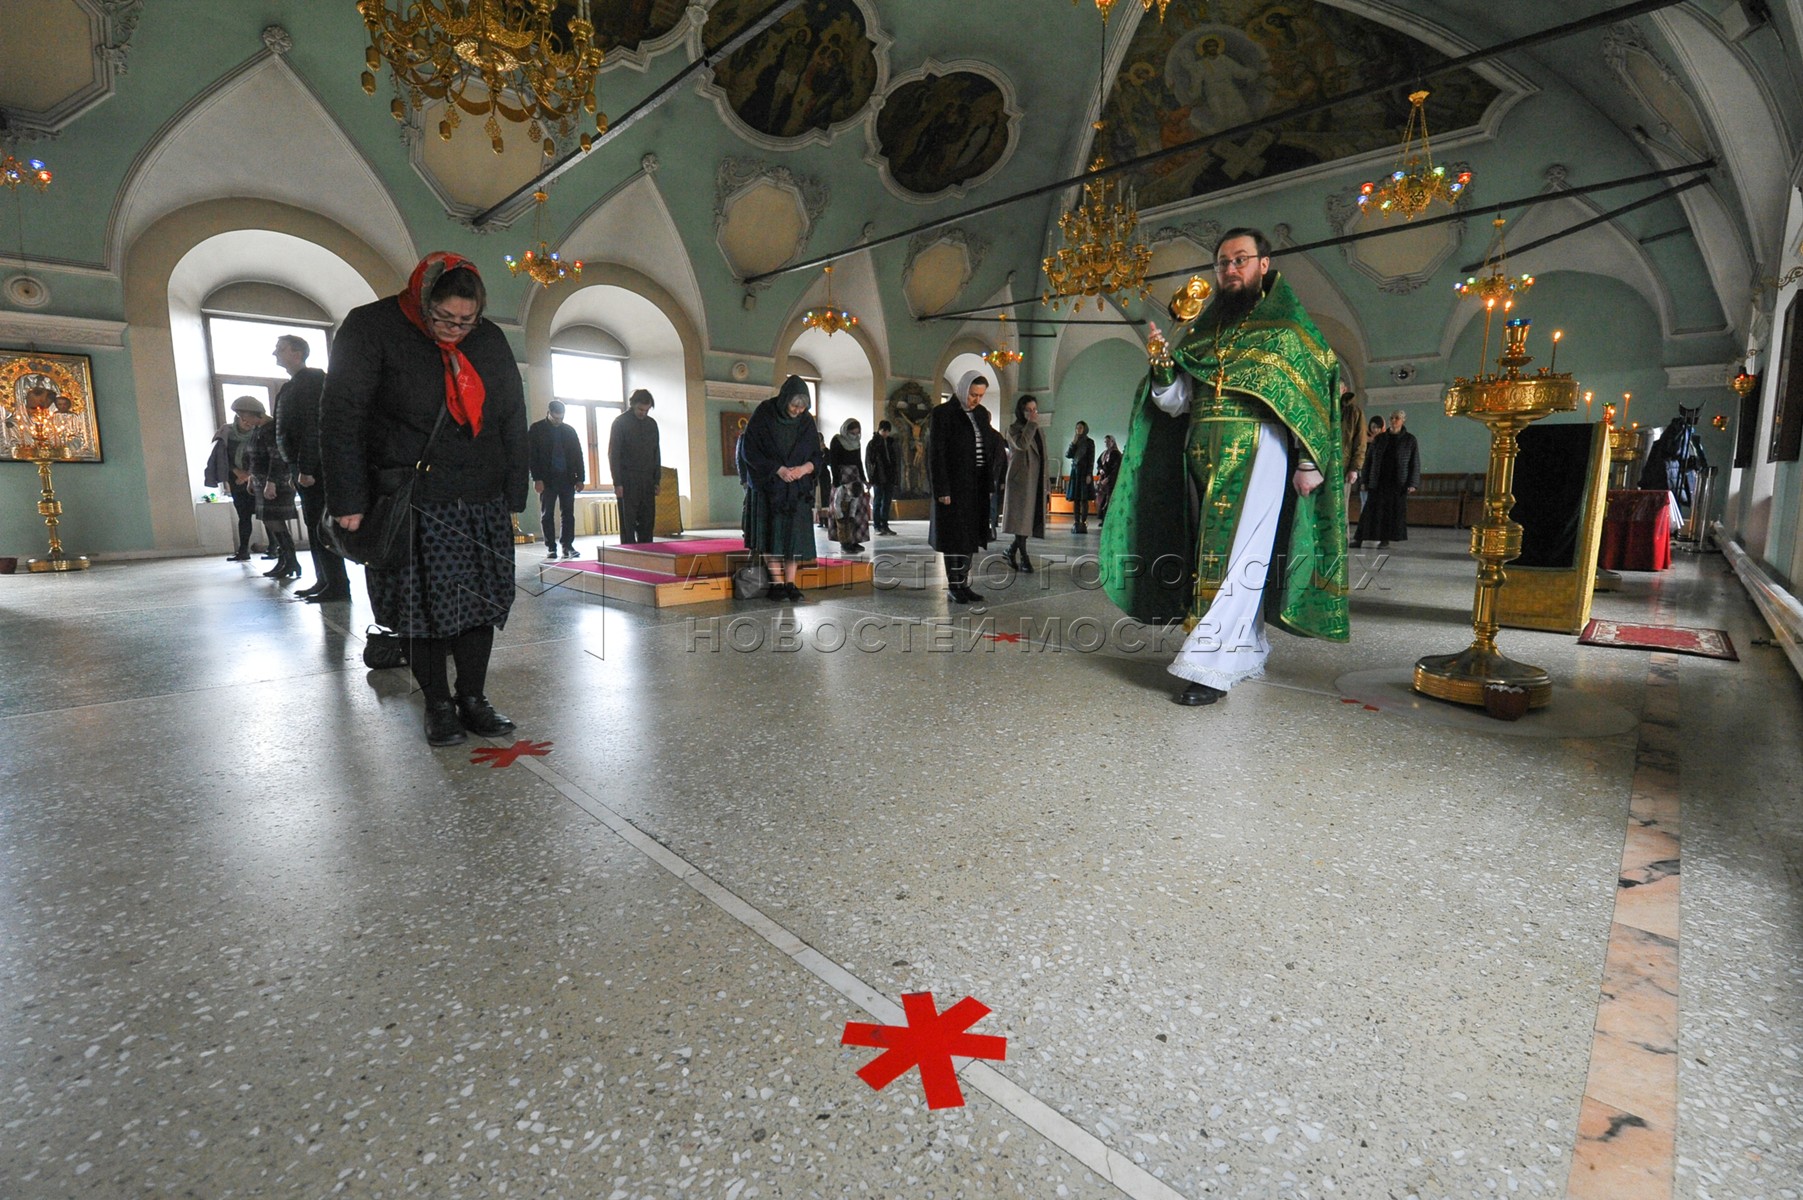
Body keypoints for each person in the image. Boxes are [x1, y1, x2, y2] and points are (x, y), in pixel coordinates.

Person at [1100, 227, 1349, 707]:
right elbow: (1175, 404)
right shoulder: (1202, 330)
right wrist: (1161, 366)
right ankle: (1246, 648)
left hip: (1259, 453)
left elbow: (1310, 396)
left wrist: (1308, 460)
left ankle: (1208, 669)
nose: (1230, 270)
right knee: (1211, 559)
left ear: (1263, 265)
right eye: (1222, 263)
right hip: (1201, 456)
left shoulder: (1287, 332)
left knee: (1239, 559)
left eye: (1240, 260)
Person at [321, 252, 528, 748]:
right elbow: (342, 416)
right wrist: (348, 498)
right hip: (409, 496)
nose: (455, 328)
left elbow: (512, 414)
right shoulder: (371, 328)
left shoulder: (490, 338)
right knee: (421, 608)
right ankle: (437, 704)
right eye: (443, 318)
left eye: (466, 320)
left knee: (480, 603)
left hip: (479, 496)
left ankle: (473, 698)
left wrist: (515, 489)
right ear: (422, 297)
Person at [274, 335, 351, 603]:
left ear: (298, 352)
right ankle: (324, 580)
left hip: (315, 468)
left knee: (323, 527)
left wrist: (306, 467)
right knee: (313, 524)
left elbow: (313, 428)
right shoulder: (293, 386)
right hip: (301, 467)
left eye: (281, 348)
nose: (275, 353)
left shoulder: (312, 381)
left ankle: (338, 585)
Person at [740, 375, 825, 601]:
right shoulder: (765, 413)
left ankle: (790, 583)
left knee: (793, 538)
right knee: (771, 536)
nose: (798, 410)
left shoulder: (806, 421)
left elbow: (817, 455)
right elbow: (749, 450)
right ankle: (777, 584)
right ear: (784, 399)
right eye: (794, 405)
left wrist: (804, 469)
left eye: (803, 407)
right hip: (770, 488)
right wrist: (778, 469)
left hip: (796, 490)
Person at [928, 370, 1004, 604]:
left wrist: (990, 481)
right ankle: (954, 585)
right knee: (954, 537)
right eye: (973, 394)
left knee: (970, 536)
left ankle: (964, 583)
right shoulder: (943, 414)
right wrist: (942, 490)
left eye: (980, 395)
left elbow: (989, 446)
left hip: (976, 485)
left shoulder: (981, 414)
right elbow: (937, 453)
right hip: (953, 486)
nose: (976, 399)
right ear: (962, 390)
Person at [204, 395, 266, 562]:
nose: (247, 423)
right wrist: (237, 473)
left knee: (266, 515)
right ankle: (243, 551)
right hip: (237, 481)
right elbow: (223, 457)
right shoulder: (227, 433)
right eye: (243, 419)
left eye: (249, 419)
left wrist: (250, 476)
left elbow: (263, 457)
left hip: (258, 479)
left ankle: (275, 548)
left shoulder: (260, 433)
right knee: (243, 516)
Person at [246, 397, 301, 581]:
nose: (243, 420)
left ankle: (290, 560)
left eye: (244, 415)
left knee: (275, 520)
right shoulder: (258, 429)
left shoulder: (271, 429)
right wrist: (251, 478)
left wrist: (272, 482)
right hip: (263, 481)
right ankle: (285, 559)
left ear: (256, 413)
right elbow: (255, 457)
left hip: (277, 482)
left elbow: (277, 457)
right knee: (270, 521)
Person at [1352, 408, 1419, 549]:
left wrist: (1412, 483)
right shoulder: (1380, 439)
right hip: (1378, 480)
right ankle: (1359, 539)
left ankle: (1385, 540)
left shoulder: (1410, 440)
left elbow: (1414, 463)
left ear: (1403, 420)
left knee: (1390, 512)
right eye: (1392, 418)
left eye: (1397, 418)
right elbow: (1369, 460)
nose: (1393, 421)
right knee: (1370, 511)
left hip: (1397, 482)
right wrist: (1364, 481)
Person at [529, 399, 585, 559]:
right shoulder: (536, 429)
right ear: (549, 413)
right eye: (556, 418)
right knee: (547, 514)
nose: (559, 421)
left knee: (568, 513)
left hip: (567, 478)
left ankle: (567, 545)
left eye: (561, 418)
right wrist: (537, 478)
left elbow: (577, 455)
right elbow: (532, 456)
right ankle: (551, 547)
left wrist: (580, 478)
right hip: (547, 479)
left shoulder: (569, 431)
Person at [999, 394, 1046, 572]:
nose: (1033, 413)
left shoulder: (1038, 430)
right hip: (1020, 481)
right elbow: (1022, 444)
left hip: (1035, 480)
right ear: (1021, 411)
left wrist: (1046, 484)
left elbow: (1043, 456)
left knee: (1026, 521)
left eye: (1035, 410)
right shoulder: (1013, 429)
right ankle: (1024, 558)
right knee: (1021, 522)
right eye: (1028, 410)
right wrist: (1031, 424)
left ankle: (1011, 551)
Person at [608, 388, 660, 544]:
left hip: (647, 480)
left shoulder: (652, 424)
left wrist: (656, 480)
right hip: (627, 479)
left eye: (647, 410)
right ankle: (629, 554)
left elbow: (656, 453)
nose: (643, 413)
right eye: (640, 409)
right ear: (632, 405)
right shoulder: (620, 423)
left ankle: (647, 551)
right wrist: (617, 482)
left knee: (647, 520)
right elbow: (613, 454)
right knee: (628, 522)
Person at [824, 418, 871, 554]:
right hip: (842, 478)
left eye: (857, 433)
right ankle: (845, 542)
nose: (855, 436)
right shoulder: (837, 441)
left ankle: (855, 540)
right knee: (842, 512)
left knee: (856, 511)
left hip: (855, 478)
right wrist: (837, 481)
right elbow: (833, 461)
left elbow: (858, 461)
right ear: (846, 430)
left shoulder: (856, 442)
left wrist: (863, 479)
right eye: (852, 433)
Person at [866, 418, 901, 534]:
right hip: (878, 477)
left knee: (887, 501)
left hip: (889, 476)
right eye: (883, 431)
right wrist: (870, 478)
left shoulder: (891, 442)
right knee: (878, 501)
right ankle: (877, 526)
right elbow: (869, 462)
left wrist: (896, 476)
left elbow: (895, 460)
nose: (885, 433)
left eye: (887, 431)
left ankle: (885, 524)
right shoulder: (873, 443)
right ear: (879, 430)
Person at [1065, 420, 1096, 533]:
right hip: (1075, 472)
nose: (1078, 430)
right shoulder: (1075, 441)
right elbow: (1068, 455)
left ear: (1085, 429)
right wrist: (1073, 443)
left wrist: (1089, 474)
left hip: (1084, 473)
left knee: (1084, 499)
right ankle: (1076, 521)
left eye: (1080, 428)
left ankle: (1084, 521)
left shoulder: (1089, 442)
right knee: (1076, 499)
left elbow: (1091, 459)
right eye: (1077, 428)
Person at [1340, 388, 1365, 507]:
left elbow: (1360, 441)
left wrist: (1354, 468)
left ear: (1344, 389)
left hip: (1343, 466)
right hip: (1323, 465)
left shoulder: (1354, 412)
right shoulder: (1323, 407)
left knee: (1341, 507)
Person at [1095, 433, 1123, 527]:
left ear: (1112, 442)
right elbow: (1099, 464)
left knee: (1110, 500)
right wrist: (1100, 470)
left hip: (1112, 482)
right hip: (1103, 482)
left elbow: (1116, 469)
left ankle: (1110, 520)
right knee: (1102, 500)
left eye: (1108, 441)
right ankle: (1104, 520)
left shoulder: (1116, 454)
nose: (1106, 443)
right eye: (1105, 442)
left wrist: (1108, 478)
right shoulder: (1104, 453)